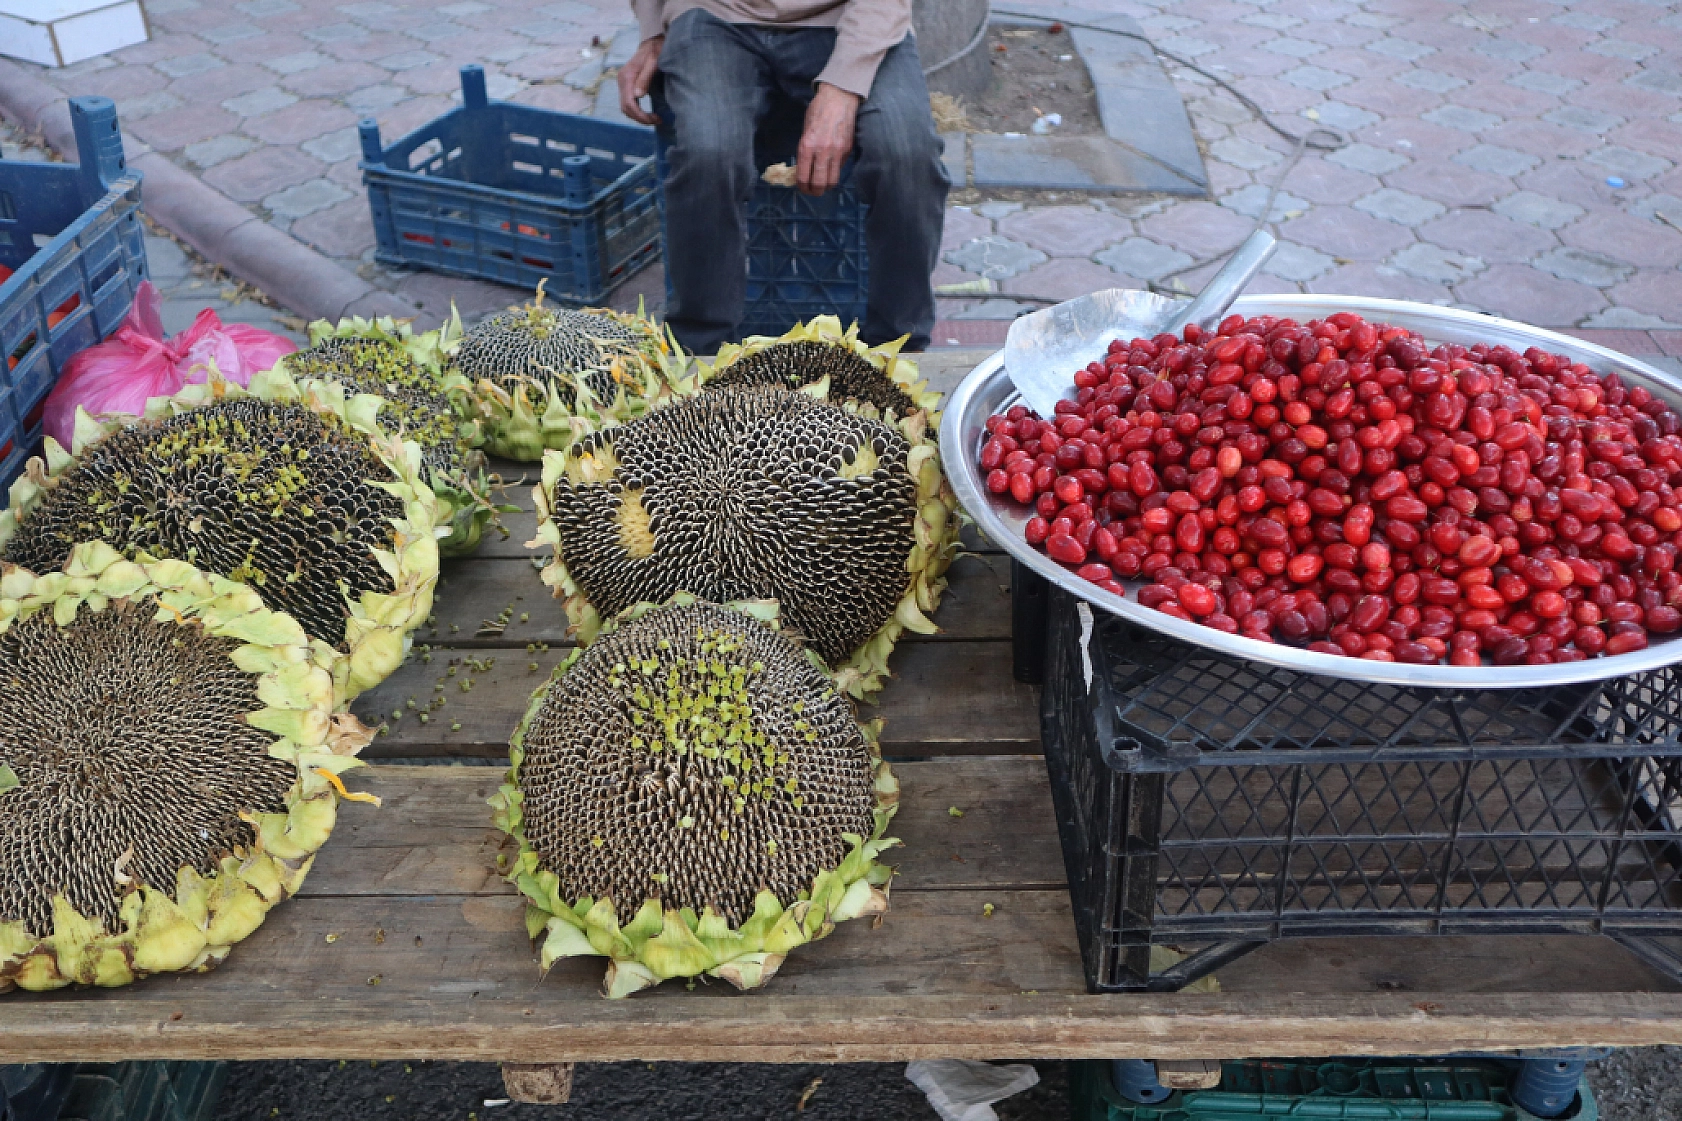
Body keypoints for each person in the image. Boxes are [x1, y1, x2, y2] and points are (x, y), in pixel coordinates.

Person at [618, 0, 949, 354]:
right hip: (714, 13)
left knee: (906, 153)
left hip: (851, 16)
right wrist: (653, 29)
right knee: (709, 152)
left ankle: (899, 345)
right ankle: (698, 348)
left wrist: (842, 87)